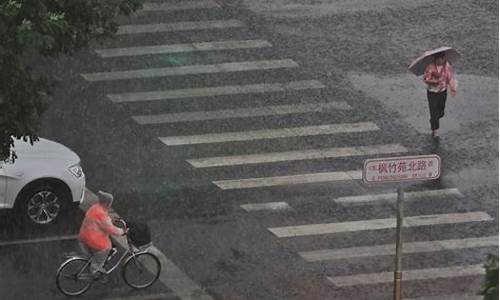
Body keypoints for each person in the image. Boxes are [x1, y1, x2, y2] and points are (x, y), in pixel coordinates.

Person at [78, 191, 125, 277]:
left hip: (84, 236)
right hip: (93, 239)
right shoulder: (101, 214)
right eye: (110, 203)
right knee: (106, 248)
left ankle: (92, 263)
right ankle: (95, 271)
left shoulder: (95, 208)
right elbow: (111, 229)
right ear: (107, 203)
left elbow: (100, 222)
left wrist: (110, 220)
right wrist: (122, 232)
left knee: (94, 255)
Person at [423, 51, 457, 138]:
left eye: (442, 59)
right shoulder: (430, 67)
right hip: (432, 92)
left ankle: (435, 118)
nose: (440, 61)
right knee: (433, 110)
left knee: (441, 110)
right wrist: (433, 81)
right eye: (438, 59)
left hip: (442, 91)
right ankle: (435, 129)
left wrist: (453, 88)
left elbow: (450, 77)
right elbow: (426, 79)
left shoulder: (447, 66)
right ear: (435, 59)